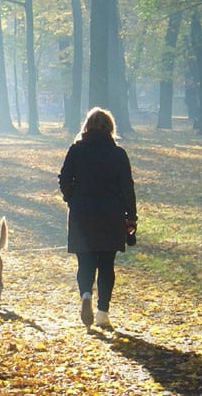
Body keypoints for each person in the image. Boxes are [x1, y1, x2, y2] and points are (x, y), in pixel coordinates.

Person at [59, 107, 137, 329]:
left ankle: (85, 295)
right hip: (110, 215)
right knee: (106, 265)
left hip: (82, 214)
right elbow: (127, 187)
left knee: (85, 263)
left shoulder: (76, 150)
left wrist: (71, 198)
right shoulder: (118, 154)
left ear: (87, 126)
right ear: (110, 128)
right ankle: (103, 312)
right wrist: (131, 217)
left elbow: (64, 179)